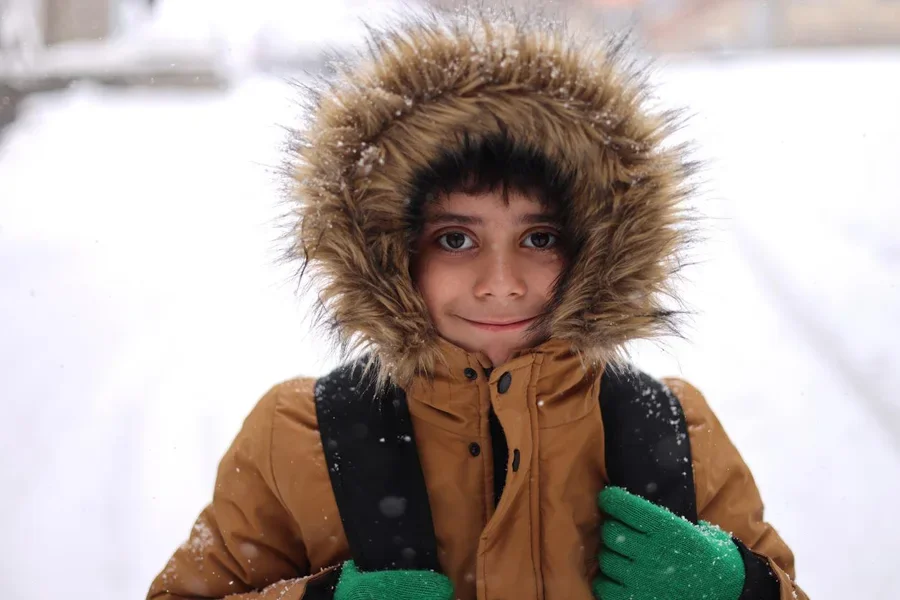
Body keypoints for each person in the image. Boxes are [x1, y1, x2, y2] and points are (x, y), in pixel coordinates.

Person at [147, 7, 807, 600]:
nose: (502, 282)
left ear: (597, 250)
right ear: (389, 248)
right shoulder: (303, 437)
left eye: (539, 237)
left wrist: (740, 590)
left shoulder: (669, 431)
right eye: (456, 238)